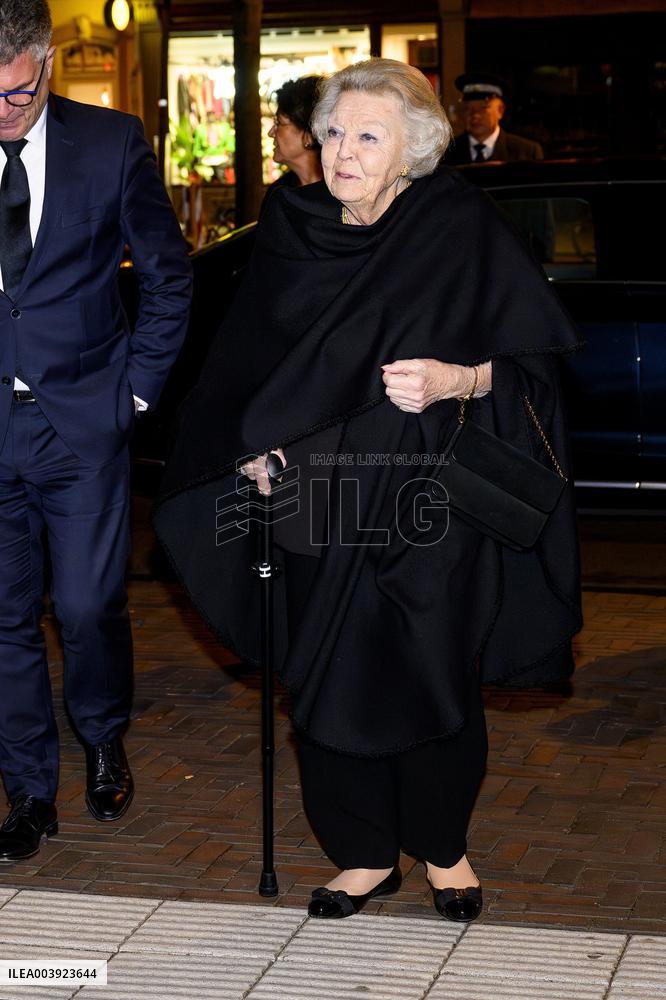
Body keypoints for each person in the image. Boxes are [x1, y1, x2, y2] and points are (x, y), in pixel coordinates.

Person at [155, 58, 582, 922]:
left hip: (431, 499)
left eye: (366, 137)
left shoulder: (456, 227)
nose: (342, 152)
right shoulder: (294, 227)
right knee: (325, 671)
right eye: (334, 133)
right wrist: (249, 450)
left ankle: (444, 849)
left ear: (412, 150)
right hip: (317, 499)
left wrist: (458, 379)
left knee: (434, 666)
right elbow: (244, 368)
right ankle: (363, 854)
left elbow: (534, 368)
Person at [0, 0, 191, 862]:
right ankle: (28, 790)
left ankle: (104, 734)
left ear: (45, 60)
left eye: (16, 92)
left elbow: (169, 277)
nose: (4, 112)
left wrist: (135, 397)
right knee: (5, 619)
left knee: (84, 606)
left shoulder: (112, 143)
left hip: (82, 426)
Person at [445, 73, 544, 164]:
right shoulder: (446, 153)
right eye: (468, 109)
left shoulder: (526, 152)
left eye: (483, 108)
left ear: (500, 110)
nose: (475, 115)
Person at [265, 76, 323, 194]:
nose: (270, 133)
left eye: (279, 123)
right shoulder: (278, 194)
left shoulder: (342, 193)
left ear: (309, 135)